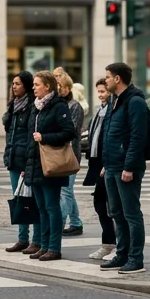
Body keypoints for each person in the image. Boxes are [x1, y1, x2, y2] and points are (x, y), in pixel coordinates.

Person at [100, 62, 148, 275]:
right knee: (116, 213)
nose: (106, 80)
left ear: (118, 78)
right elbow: (110, 133)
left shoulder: (134, 101)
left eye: (108, 77)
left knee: (131, 214)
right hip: (111, 166)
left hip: (126, 167)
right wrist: (105, 163)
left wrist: (129, 167)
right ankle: (122, 254)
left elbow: (138, 137)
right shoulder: (114, 100)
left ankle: (135, 258)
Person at [26, 70, 76, 261]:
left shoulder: (58, 105)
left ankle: (54, 247)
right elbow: (30, 137)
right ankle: (44, 245)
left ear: (47, 86)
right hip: (36, 163)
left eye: (36, 84)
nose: (34, 88)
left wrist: (45, 137)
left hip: (51, 165)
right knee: (41, 208)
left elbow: (69, 132)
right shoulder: (36, 107)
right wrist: (26, 164)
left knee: (51, 207)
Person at [2, 71, 36, 253]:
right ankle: (22, 238)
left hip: (26, 159)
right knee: (19, 199)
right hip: (14, 157)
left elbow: (30, 136)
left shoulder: (31, 106)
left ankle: (36, 240)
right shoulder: (13, 106)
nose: (14, 87)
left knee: (32, 200)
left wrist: (27, 161)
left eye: (18, 84)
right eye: (13, 83)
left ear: (27, 86)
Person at [84, 78, 116, 261]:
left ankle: (116, 245)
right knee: (99, 204)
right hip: (97, 163)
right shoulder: (100, 110)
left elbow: (110, 138)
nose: (100, 94)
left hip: (107, 163)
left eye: (103, 91)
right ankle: (108, 243)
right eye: (98, 91)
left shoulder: (112, 110)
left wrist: (107, 162)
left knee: (112, 207)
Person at [56, 73, 86, 236]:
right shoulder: (58, 105)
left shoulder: (74, 106)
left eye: (59, 87)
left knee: (65, 191)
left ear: (67, 89)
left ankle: (59, 224)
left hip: (70, 153)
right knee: (67, 191)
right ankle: (76, 222)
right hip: (61, 153)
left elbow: (72, 131)